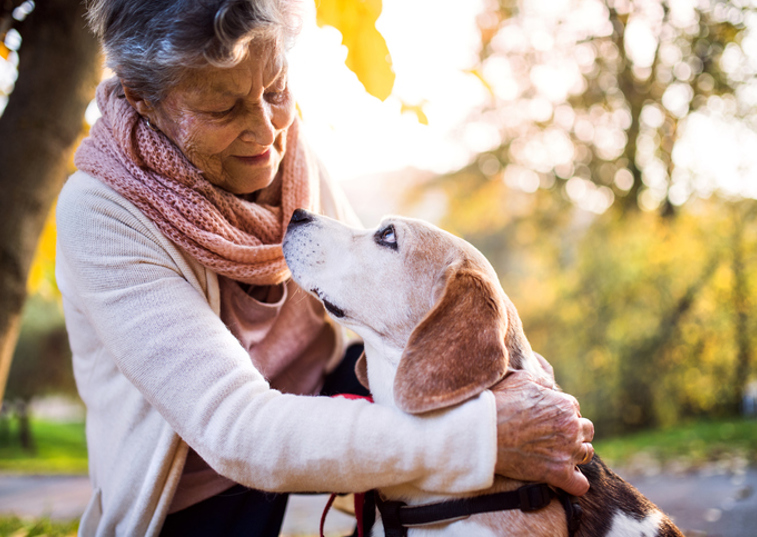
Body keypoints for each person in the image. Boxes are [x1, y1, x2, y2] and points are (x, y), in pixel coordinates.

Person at [55, 0, 595, 536]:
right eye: (223, 109)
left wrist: (523, 394)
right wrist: (482, 436)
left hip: (331, 391)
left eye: (276, 90)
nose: (267, 132)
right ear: (142, 99)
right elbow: (236, 429)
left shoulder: (286, 149)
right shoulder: (99, 214)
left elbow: (375, 296)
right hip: (201, 494)